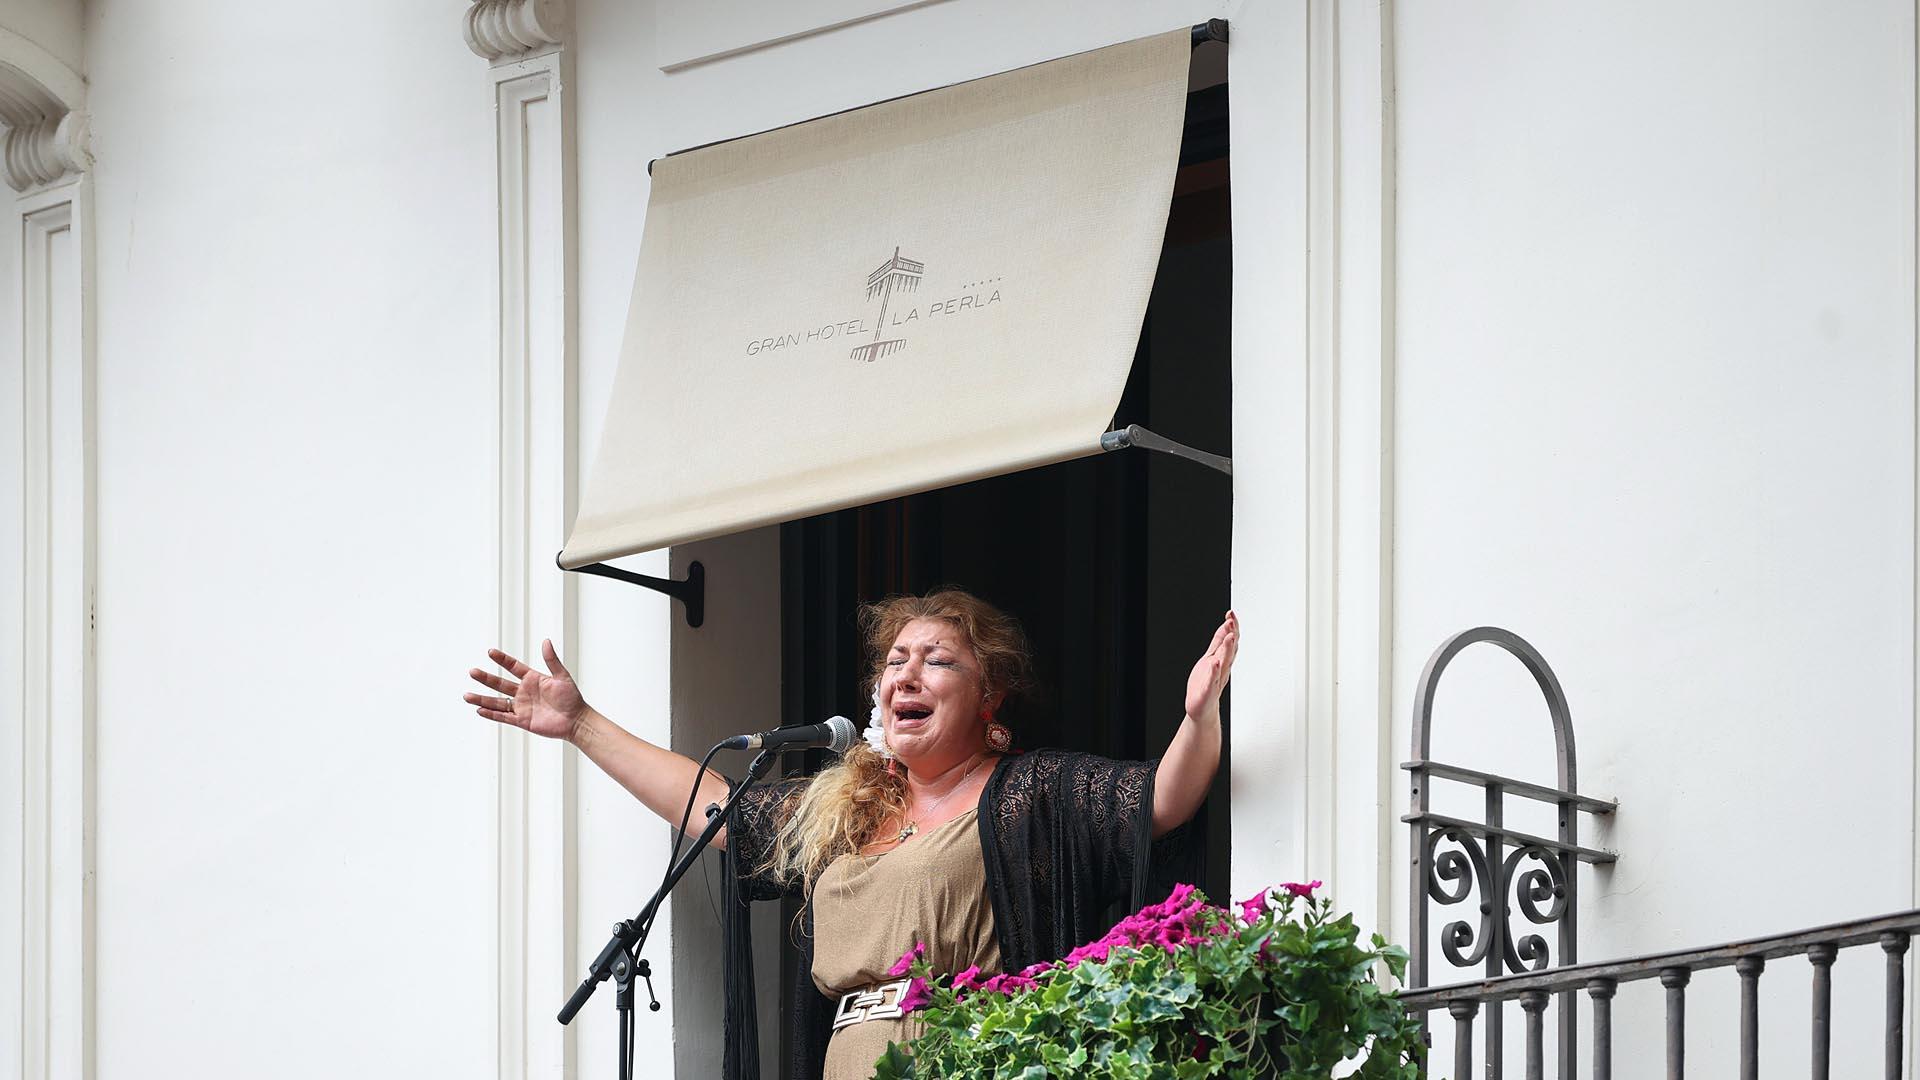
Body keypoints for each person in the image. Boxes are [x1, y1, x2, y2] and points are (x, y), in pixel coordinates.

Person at [466, 589, 1237, 1080]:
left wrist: (1198, 716)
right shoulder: (846, 809)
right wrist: (580, 725)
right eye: (895, 661)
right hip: (851, 1059)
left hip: (963, 1058)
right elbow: (716, 812)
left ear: (990, 697)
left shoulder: (1026, 791)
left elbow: (1161, 802)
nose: (906, 675)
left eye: (938, 661)